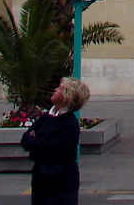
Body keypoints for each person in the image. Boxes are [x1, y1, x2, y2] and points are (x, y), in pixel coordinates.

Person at [21, 77, 89, 205]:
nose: (55, 90)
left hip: (61, 182)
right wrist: (38, 142)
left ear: (67, 96)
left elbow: (52, 151)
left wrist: (35, 142)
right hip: (40, 180)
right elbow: (25, 139)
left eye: (60, 88)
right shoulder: (46, 117)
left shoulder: (69, 124)